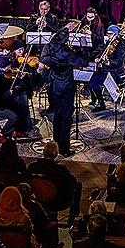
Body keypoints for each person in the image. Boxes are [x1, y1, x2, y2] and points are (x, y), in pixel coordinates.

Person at [39, 27, 85, 156]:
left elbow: (45, 60)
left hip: (55, 85)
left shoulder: (51, 48)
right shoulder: (67, 52)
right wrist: (81, 49)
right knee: (66, 117)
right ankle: (64, 149)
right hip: (66, 87)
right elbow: (82, 62)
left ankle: (56, 143)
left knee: (57, 115)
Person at [28, 141, 81, 220]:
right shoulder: (61, 170)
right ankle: (73, 217)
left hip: (36, 199)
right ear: (56, 154)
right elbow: (73, 184)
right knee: (78, 185)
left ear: (43, 152)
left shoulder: (32, 167)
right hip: (57, 202)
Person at [0, 54, 30, 142]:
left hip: (5, 101)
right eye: (8, 66)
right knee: (14, 117)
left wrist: (18, 82)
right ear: (3, 67)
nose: (10, 68)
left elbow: (7, 86)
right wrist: (7, 94)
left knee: (22, 108)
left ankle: (18, 130)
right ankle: (2, 134)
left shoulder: (2, 73)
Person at [89, 24, 125, 112]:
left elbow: (119, 61)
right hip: (106, 69)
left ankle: (100, 103)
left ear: (116, 34)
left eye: (110, 33)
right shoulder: (109, 43)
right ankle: (98, 100)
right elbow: (102, 52)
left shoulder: (120, 45)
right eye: (108, 33)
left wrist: (109, 62)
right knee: (91, 80)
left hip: (115, 71)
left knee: (94, 82)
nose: (108, 35)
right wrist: (98, 57)